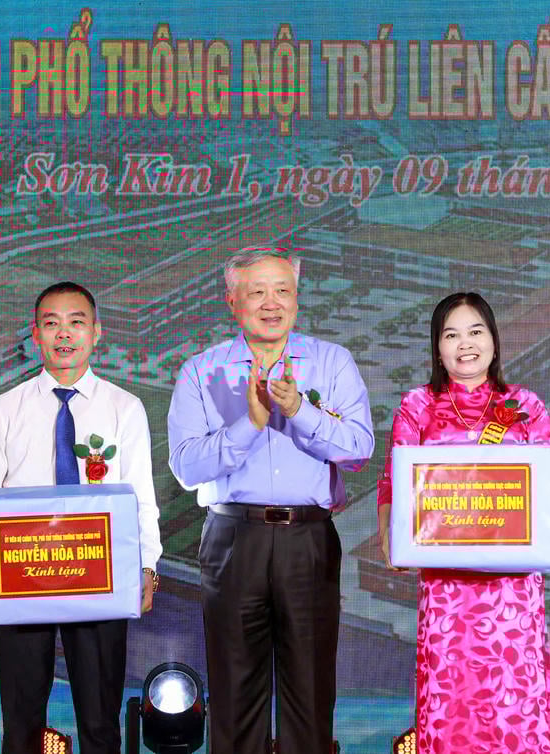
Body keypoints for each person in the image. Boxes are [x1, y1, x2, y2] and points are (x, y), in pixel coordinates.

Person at [167, 248, 374, 754]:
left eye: (283, 290)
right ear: (232, 301)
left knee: (310, 688)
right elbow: (186, 467)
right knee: (235, 690)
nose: (271, 303)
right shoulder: (201, 371)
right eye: (257, 292)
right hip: (233, 538)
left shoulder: (331, 362)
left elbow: (358, 451)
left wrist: (300, 410)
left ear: (297, 298)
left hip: (308, 537)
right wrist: (251, 423)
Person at [0, 281, 162, 754]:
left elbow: (142, 501)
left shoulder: (124, 408)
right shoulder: (5, 409)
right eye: (51, 324)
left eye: (76, 322)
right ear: (36, 334)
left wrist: (147, 566)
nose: (64, 334)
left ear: (97, 332)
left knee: (101, 724)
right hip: (20, 581)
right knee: (21, 725)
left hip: (100, 579)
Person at [376, 292, 550, 754]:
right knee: (452, 697)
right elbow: (393, 481)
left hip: (513, 589)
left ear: (493, 340)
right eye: (451, 335)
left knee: (513, 697)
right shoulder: (418, 406)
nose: (465, 344)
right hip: (447, 589)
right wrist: (390, 536)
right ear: (437, 348)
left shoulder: (525, 405)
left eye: (475, 331)